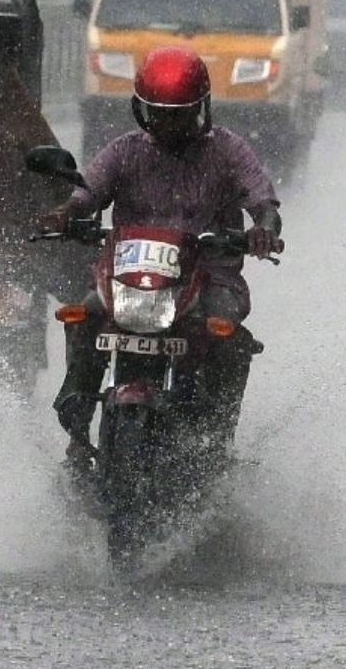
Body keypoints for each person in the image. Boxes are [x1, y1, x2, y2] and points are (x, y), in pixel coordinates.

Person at [40, 46, 283, 467]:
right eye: (161, 113)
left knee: (226, 338)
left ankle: (216, 440)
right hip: (127, 278)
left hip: (209, 278)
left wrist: (263, 229)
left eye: (182, 113)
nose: (172, 124)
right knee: (85, 314)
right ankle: (78, 424)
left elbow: (264, 201)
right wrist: (64, 215)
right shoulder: (123, 151)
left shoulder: (227, 151)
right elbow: (87, 195)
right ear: (141, 110)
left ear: (202, 108)